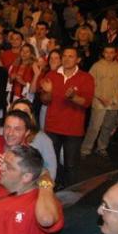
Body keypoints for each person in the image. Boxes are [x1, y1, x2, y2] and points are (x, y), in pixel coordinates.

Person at [39, 47, 94, 187]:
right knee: (51, 162)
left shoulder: (86, 77)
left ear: (78, 60)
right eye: (64, 55)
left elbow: (86, 102)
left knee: (71, 164)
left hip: (73, 129)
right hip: (52, 127)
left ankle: (71, 192)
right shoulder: (51, 75)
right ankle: (52, 189)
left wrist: (73, 97)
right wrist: (48, 92)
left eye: (71, 56)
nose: (66, 59)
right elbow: (45, 100)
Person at [81, 45, 118, 158]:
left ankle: (102, 148)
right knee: (94, 127)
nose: (109, 55)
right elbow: (90, 84)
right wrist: (100, 97)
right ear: (103, 53)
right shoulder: (96, 66)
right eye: (107, 52)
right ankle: (86, 149)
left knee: (107, 127)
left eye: (112, 52)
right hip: (98, 102)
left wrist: (113, 100)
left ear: (115, 54)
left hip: (113, 104)